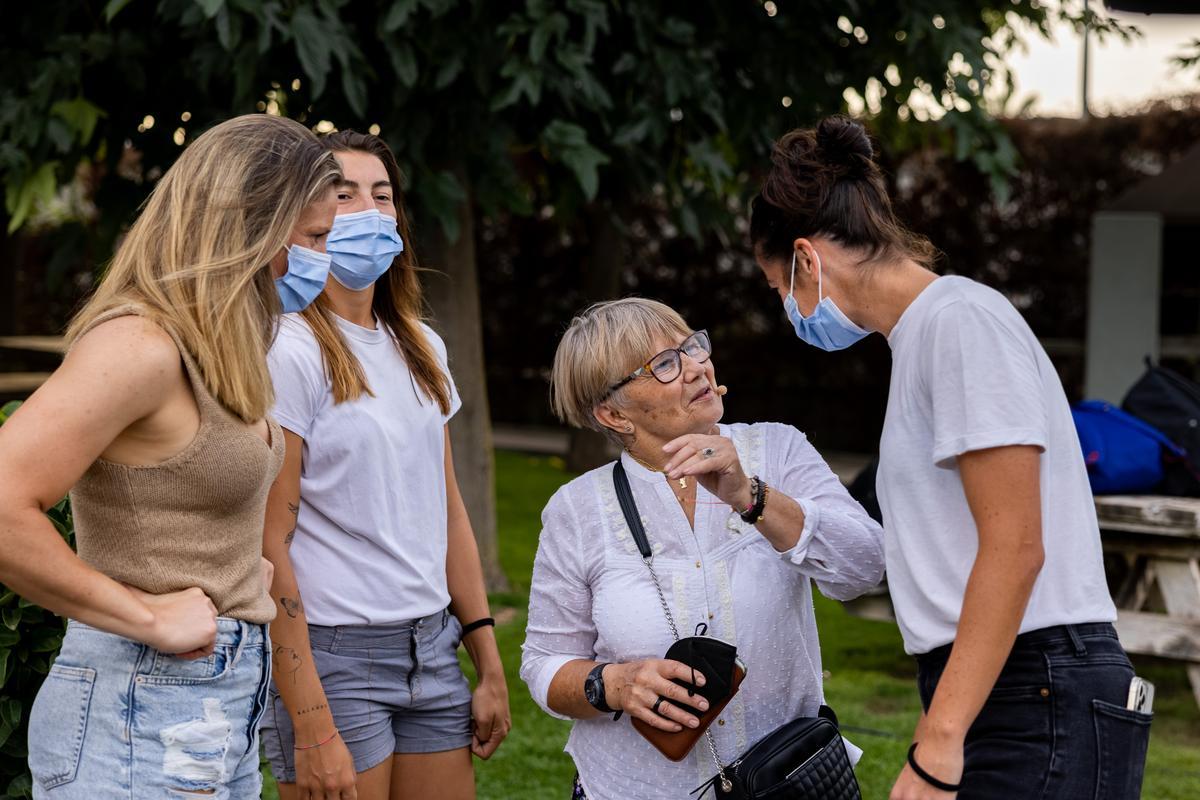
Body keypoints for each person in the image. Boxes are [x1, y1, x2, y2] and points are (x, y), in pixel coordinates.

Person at [749, 116, 1149, 800]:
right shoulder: (921, 340)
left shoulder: (960, 323)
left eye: (780, 289)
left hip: (1038, 686)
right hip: (1010, 688)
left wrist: (938, 742)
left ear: (808, 259)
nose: (790, 311)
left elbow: (1017, 546)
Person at [0, 114, 342, 798]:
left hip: (209, 699)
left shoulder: (223, 350)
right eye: (311, 239)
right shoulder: (141, 346)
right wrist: (146, 616)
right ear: (252, 225)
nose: (318, 261)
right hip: (144, 697)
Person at [520, 298, 884, 800]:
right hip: (633, 788)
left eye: (692, 346)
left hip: (783, 783)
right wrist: (617, 684)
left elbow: (865, 567)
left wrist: (749, 496)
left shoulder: (777, 450)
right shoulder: (578, 509)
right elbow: (544, 663)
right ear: (613, 413)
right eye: (666, 364)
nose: (696, 367)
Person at [260, 130, 510, 800]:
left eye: (382, 194)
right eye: (343, 196)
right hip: (334, 658)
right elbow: (268, 543)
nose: (368, 212)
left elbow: (446, 507)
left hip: (432, 651)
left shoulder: (422, 344)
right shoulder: (287, 350)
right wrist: (310, 719)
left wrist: (486, 661)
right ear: (302, 217)